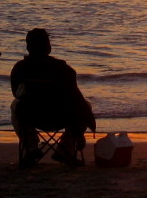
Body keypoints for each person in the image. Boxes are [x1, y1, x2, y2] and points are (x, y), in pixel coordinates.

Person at [10, 28, 96, 168]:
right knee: (85, 105)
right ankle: (65, 148)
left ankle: (31, 147)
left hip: (33, 116)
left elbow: (16, 93)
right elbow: (76, 98)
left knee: (16, 105)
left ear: (28, 47)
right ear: (48, 47)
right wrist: (83, 130)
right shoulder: (64, 69)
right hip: (61, 117)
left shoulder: (20, 68)